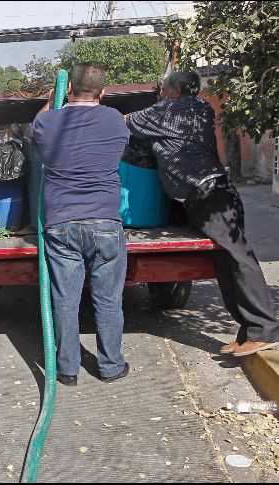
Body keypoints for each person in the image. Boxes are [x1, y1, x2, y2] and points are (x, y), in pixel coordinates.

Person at [125, 70, 279, 357]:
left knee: (239, 259)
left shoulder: (170, 109)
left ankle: (264, 329)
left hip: (208, 194)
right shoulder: (202, 106)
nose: (160, 93)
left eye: (164, 89)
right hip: (211, 192)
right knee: (225, 262)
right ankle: (248, 332)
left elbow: (130, 121)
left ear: (177, 90)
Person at [33, 62, 130, 386]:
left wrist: (52, 100)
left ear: (69, 89)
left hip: (61, 224)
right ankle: (111, 366)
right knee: (108, 299)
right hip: (105, 223)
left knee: (65, 299)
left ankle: (67, 370)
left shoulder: (48, 121)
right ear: (102, 92)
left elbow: (37, 126)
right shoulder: (115, 120)